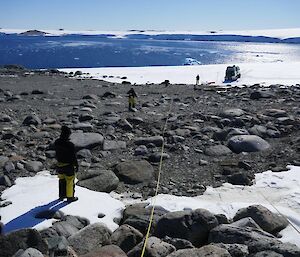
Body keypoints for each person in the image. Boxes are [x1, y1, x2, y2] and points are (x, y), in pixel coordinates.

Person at [54, 126, 78, 203]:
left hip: (59, 165)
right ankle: (70, 197)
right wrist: (76, 165)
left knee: (62, 180)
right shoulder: (70, 145)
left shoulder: (57, 142)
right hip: (68, 166)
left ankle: (62, 195)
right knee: (70, 181)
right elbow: (73, 157)